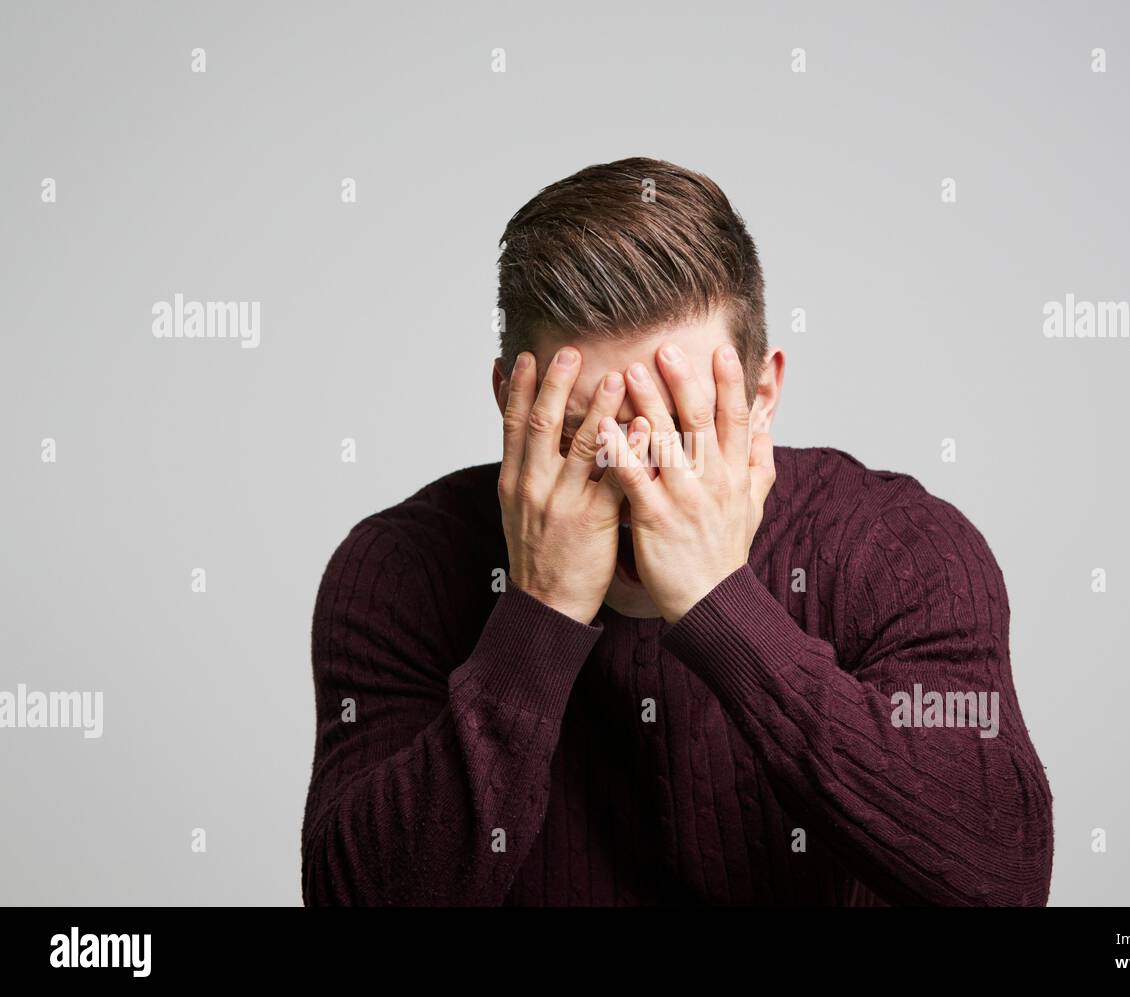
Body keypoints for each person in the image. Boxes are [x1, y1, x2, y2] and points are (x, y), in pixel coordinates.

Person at [300, 157, 1054, 905]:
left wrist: (723, 602)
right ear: (511, 404)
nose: (636, 495)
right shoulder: (401, 569)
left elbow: (1002, 879)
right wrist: (538, 614)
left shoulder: (899, 549)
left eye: (677, 438)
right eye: (587, 440)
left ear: (761, 398)